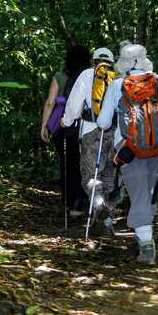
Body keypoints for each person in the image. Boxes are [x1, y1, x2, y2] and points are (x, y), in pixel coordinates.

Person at [97, 41, 158, 265]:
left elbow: (104, 122)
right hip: (157, 146)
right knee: (149, 190)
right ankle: (146, 230)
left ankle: (146, 244)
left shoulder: (117, 85)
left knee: (138, 190)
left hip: (128, 148)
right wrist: (157, 131)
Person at [61, 47, 120, 232]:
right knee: (110, 175)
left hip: (90, 130)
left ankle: (99, 203)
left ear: (93, 61)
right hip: (116, 132)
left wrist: (65, 121)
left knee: (90, 175)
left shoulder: (87, 74)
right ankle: (107, 219)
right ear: (112, 61)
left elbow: (73, 104)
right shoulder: (119, 77)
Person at [41, 45, 90, 216]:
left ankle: (68, 202)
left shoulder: (60, 77)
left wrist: (45, 126)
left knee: (67, 164)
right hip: (85, 126)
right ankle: (80, 203)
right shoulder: (91, 76)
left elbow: (50, 102)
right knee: (83, 164)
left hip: (62, 126)